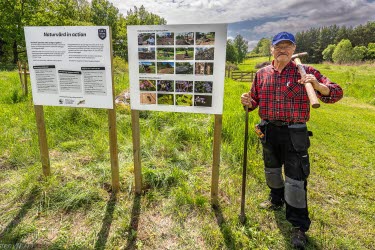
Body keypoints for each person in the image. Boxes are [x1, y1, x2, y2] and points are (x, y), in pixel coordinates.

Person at [241, 31, 343, 249]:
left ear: (294, 49)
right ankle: (275, 199)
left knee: (296, 180)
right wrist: (247, 101)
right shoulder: (262, 74)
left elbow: (336, 92)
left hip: (294, 132)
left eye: (288, 46)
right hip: (268, 129)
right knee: (272, 169)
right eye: (279, 46)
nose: (283, 50)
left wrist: (318, 86)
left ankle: (298, 226)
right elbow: (253, 102)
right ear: (272, 49)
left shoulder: (305, 71)